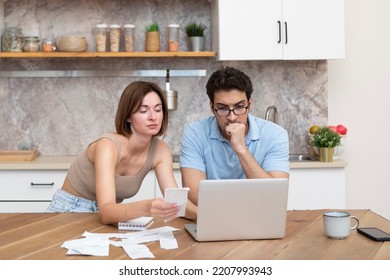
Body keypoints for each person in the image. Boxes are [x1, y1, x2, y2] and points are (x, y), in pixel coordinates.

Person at [47, 81, 196, 224]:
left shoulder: (161, 151)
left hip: (113, 215)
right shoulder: (108, 146)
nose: (153, 117)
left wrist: (206, 216)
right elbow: (106, 213)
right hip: (69, 209)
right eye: (143, 111)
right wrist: (146, 207)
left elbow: (177, 202)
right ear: (128, 116)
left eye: (158, 109)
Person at [180, 66, 290, 206]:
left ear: (249, 105)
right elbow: (193, 193)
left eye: (239, 107)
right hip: (213, 217)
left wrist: (240, 148)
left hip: (258, 216)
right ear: (212, 107)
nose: (232, 117)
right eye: (223, 108)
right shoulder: (195, 133)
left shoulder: (275, 134)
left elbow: (275, 196)